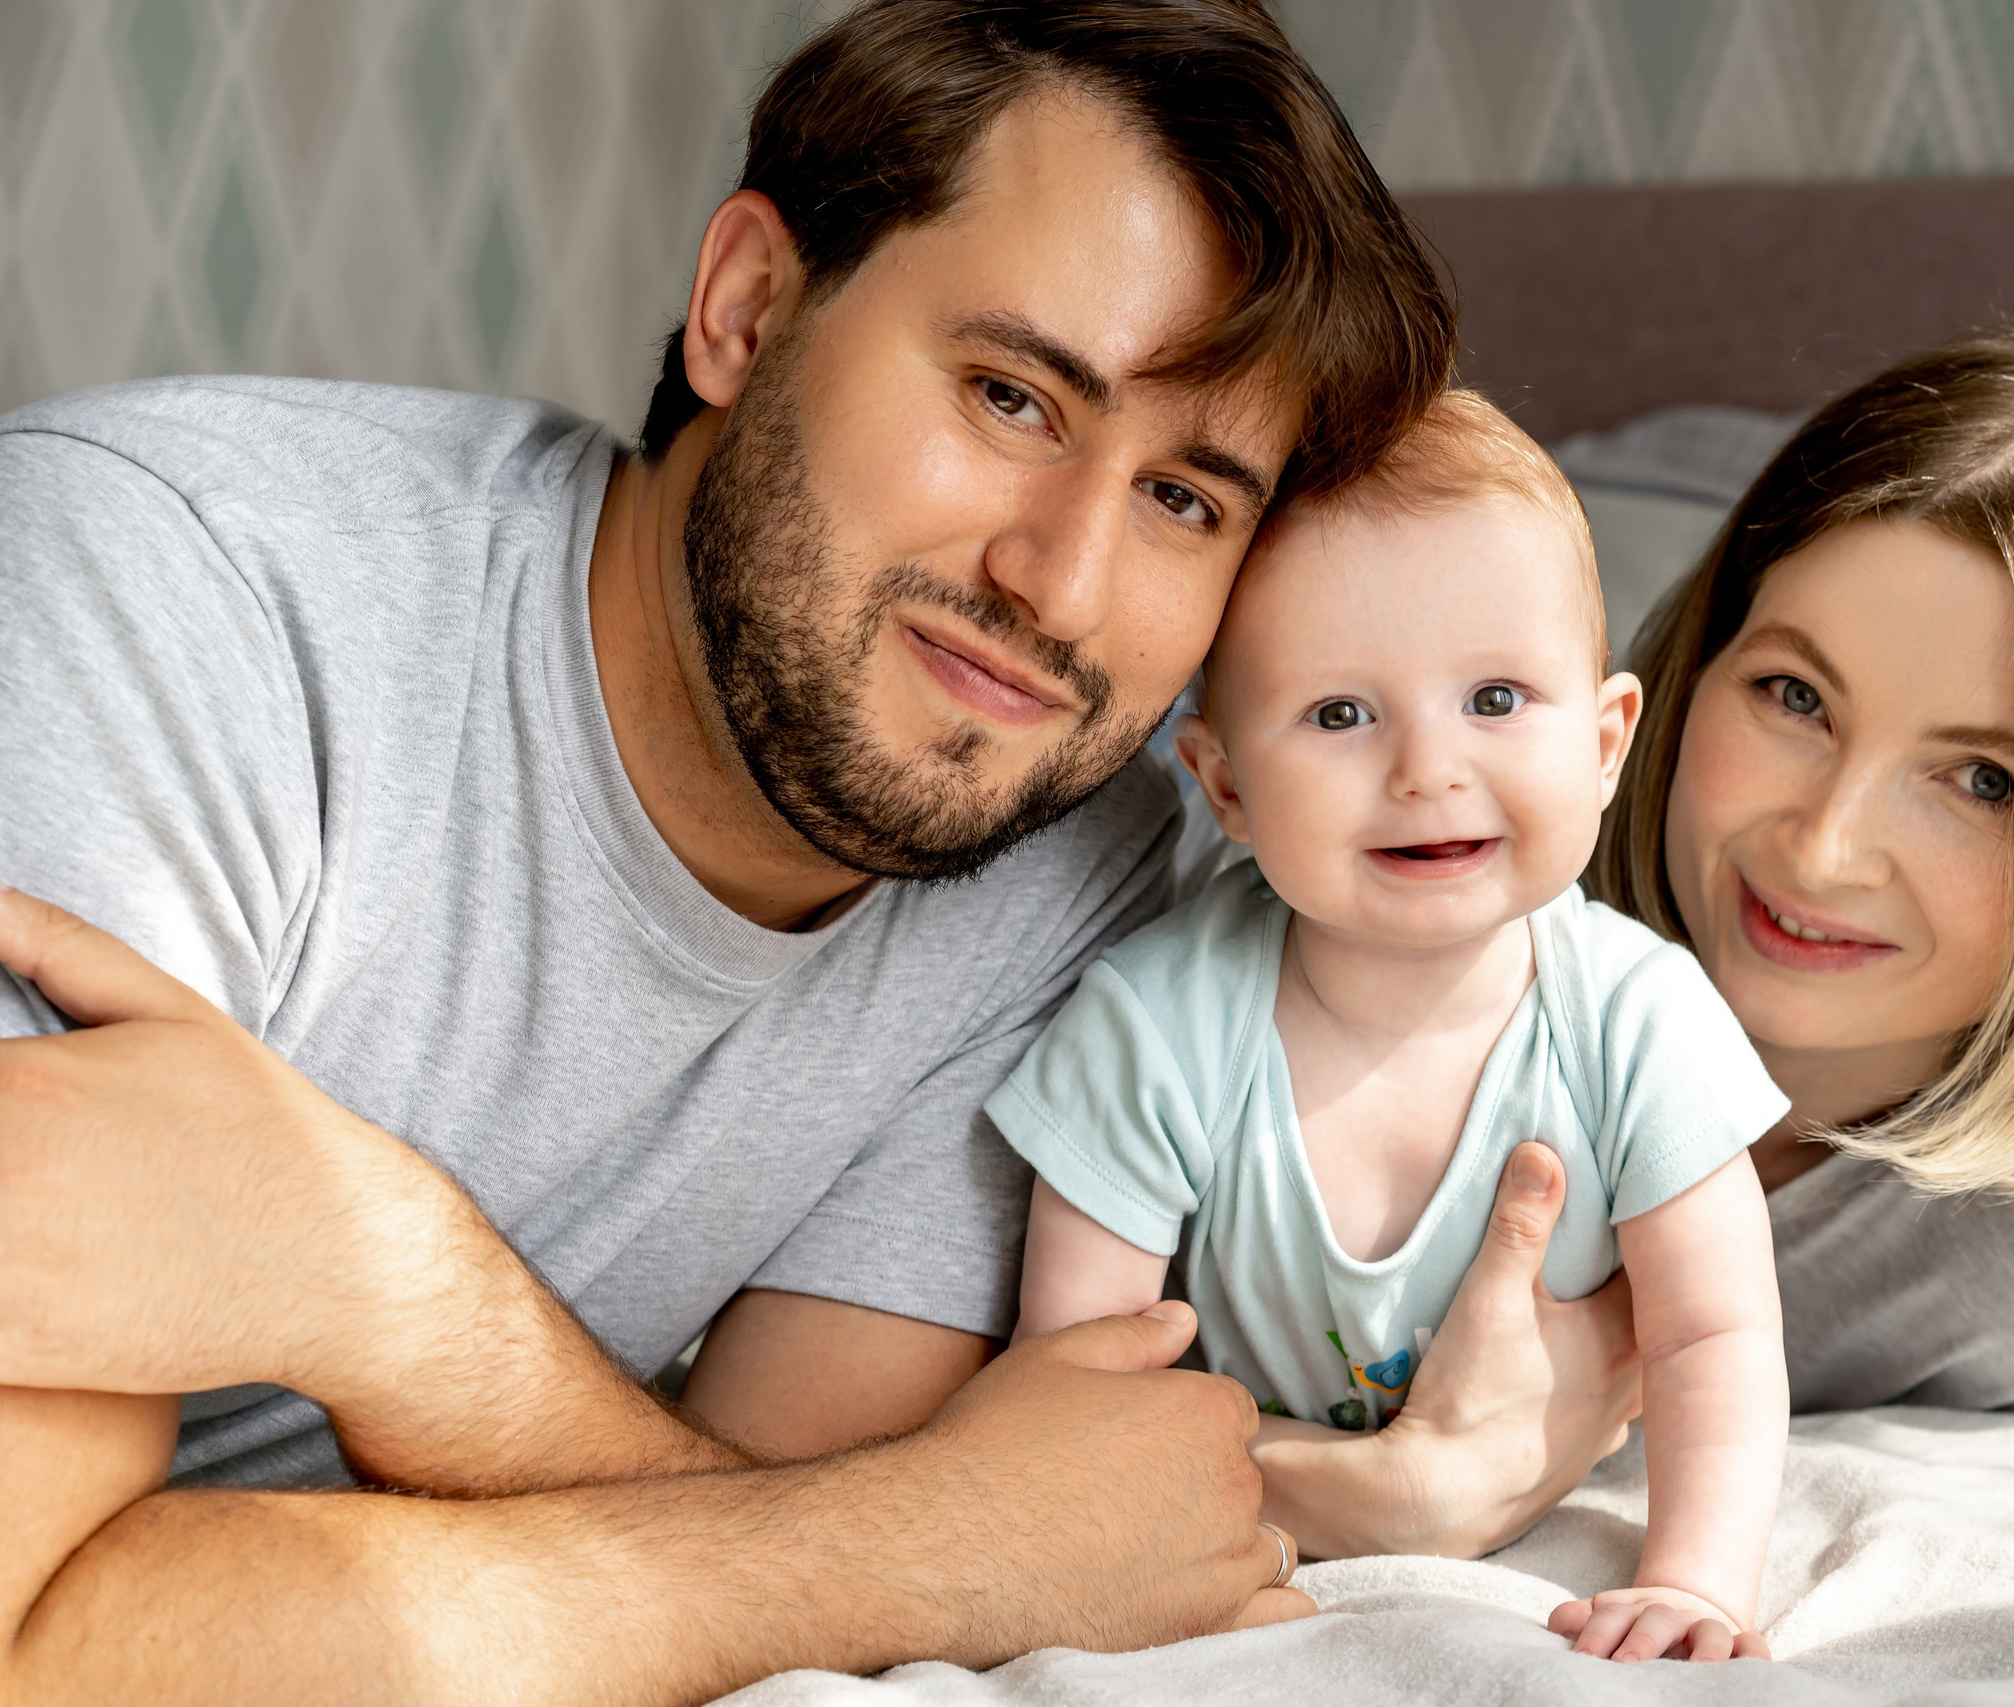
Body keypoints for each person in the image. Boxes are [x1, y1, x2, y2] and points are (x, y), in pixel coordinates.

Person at [0, 2, 1484, 1696]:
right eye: (1011, 397)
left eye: (1185, 500)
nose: (1060, 585)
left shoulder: (1062, 872)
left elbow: (764, 1561)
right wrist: (952, 1550)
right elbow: (35, 1652)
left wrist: (400, 1307)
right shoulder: (153, 598)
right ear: (748, 307)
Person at [1234, 330, 2014, 1562]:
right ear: (1690, 670)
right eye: (1793, 697)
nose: (1823, 849)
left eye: (1982, 780)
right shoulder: (1415, 874)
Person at [992, 392, 1791, 1663]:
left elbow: (1716, 1334)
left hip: (1530, 1530)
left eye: (1495, 697)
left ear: (1603, 743)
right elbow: (1075, 1388)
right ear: (1226, 785)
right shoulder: (1152, 1029)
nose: (1427, 768)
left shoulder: (1639, 1022)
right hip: (1243, 1545)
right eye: (1340, 715)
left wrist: (1697, 1580)